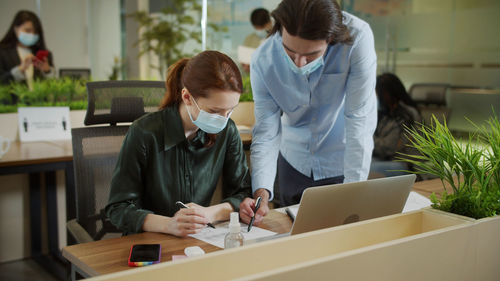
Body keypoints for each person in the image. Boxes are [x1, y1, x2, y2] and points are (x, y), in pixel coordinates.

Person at [239, 0, 377, 223]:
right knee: (292, 236)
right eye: (290, 53)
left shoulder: (357, 38)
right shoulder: (263, 59)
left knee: (341, 235)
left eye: (311, 55)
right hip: (293, 160)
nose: (300, 64)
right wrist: (261, 192)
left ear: (330, 39)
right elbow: (266, 131)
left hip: (341, 160)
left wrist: (354, 192)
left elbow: (358, 119)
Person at [105, 51, 252, 237]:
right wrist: (169, 224)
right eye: (214, 111)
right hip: (150, 242)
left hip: (198, 238)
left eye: (230, 111)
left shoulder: (227, 131)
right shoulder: (144, 133)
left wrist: (208, 214)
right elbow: (118, 208)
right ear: (187, 97)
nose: (223, 120)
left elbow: (242, 193)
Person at [370, 73, 421, 177]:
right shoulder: (387, 112)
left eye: (378, 93)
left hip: (406, 164)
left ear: (388, 93)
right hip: (386, 159)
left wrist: (366, 138)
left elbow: (388, 148)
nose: (376, 97)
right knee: (354, 163)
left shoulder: (407, 114)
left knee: (365, 168)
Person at [0, 10, 54, 89]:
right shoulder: (3, 52)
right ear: (15, 29)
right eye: (28, 30)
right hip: (13, 101)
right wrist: (20, 69)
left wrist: (47, 71)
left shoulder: (42, 53)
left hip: (39, 100)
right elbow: (2, 81)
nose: (32, 35)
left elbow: (53, 85)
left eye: (35, 32)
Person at [240, 8, 272, 72]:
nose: (260, 30)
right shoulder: (249, 39)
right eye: (257, 28)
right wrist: (245, 66)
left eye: (262, 27)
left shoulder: (278, 38)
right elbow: (243, 63)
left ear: (270, 22)